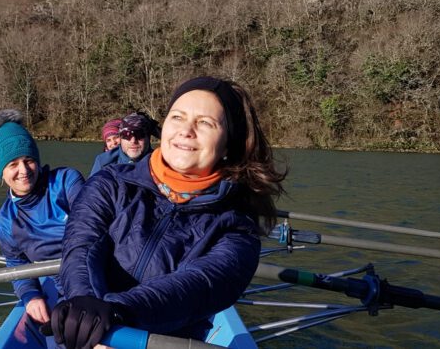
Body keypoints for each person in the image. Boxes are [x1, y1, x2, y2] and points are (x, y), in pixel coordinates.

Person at [52, 76, 287, 349]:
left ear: (227, 146)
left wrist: (115, 313)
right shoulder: (109, 182)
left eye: (205, 123)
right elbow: (81, 246)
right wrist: (86, 305)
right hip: (84, 337)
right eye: (177, 117)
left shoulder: (238, 227)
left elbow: (197, 286)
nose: (186, 130)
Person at [0, 109, 85, 325]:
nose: (23, 170)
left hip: (99, 271)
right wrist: (30, 295)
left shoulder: (66, 181)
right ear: (1, 173)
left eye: (29, 160)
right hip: (66, 288)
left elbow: (90, 230)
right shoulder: (6, 222)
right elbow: (16, 262)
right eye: (13, 164)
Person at [89, 111, 158, 177]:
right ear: (121, 138)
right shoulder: (103, 161)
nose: (133, 141)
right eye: (126, 135)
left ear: (148, 138)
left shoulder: (160, 162)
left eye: (139, 134)